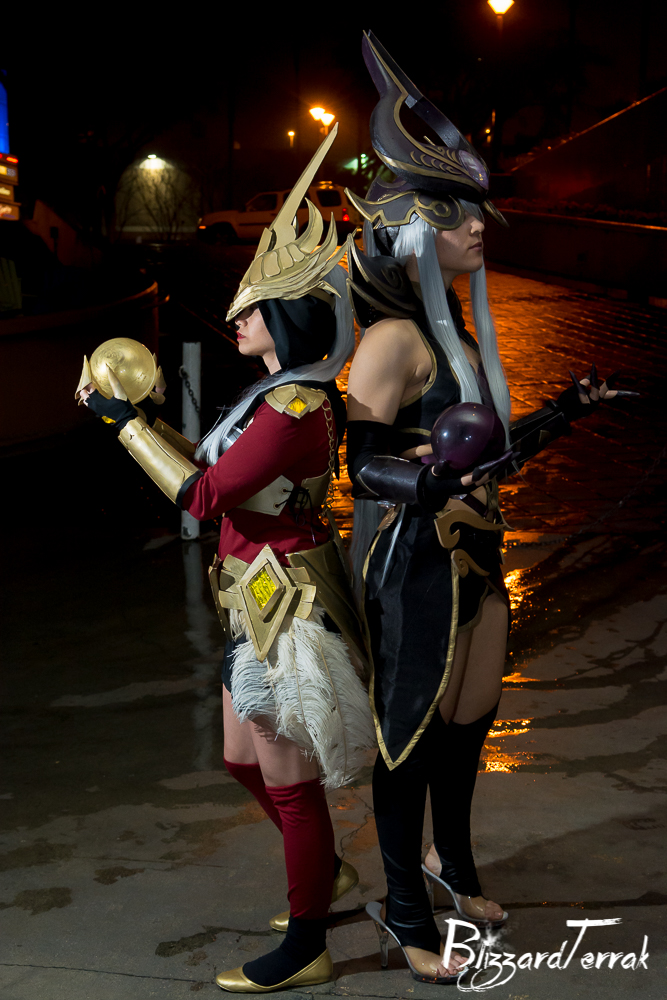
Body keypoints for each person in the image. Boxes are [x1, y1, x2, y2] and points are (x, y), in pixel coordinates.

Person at [343, 32, 630, 986]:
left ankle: (452, 868)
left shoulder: (454, 334)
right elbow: (359, 461)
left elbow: (488, 459)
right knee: (409, 738)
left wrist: (566, 409)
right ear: (415, 225)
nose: (480, 229)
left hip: (473, 553)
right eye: (461, 215)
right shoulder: (391, 340)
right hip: (411, 564)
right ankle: (402, 910)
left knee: (467, 725)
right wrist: (422, 484)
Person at [77, 127, 375, 994]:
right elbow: (213, 472)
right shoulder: (274, 397)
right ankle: (324, 874)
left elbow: (202, 497)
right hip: (252, 596)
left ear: (286, 320)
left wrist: (121, 426)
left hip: (287, 603)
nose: (238, 319)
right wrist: (138, 419)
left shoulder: (294, 408)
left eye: (252, 309)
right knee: (244, 761)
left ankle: (308, 945)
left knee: (287, 782)